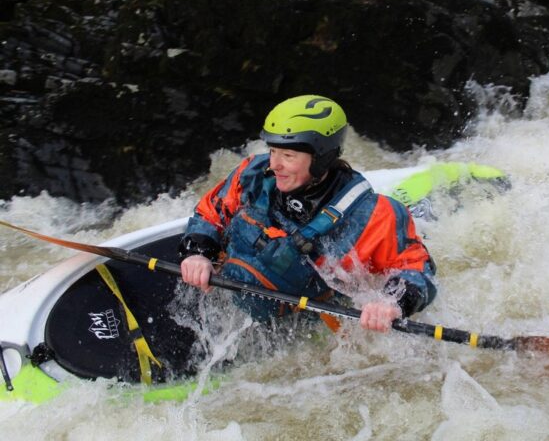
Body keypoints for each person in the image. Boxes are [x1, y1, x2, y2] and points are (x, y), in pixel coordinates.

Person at [178, 94, 437, 333]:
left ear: (321, 158)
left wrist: (391, 303)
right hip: (240, 302)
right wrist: (198, 254)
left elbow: (417, 270)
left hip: (308, 326)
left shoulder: (373, 216)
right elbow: (210, 215)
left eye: (288, 155)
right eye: (273, 151)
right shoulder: (253, 175)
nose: (274, 164)